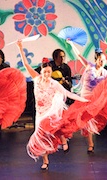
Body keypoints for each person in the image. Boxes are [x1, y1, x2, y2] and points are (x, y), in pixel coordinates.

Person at [16, 40, 89, 170]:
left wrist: (83, 100)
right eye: (45, 72)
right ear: (42, 71)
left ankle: (64, 140)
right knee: (41, 136)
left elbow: (68, 93)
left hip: (50, 111)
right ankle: (45, 161)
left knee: (55, 125)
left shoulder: (54, 83)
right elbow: (26, 64)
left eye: (49, 72)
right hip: (40, 113)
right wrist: (20, 47)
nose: (47, 75)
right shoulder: (36, 79)